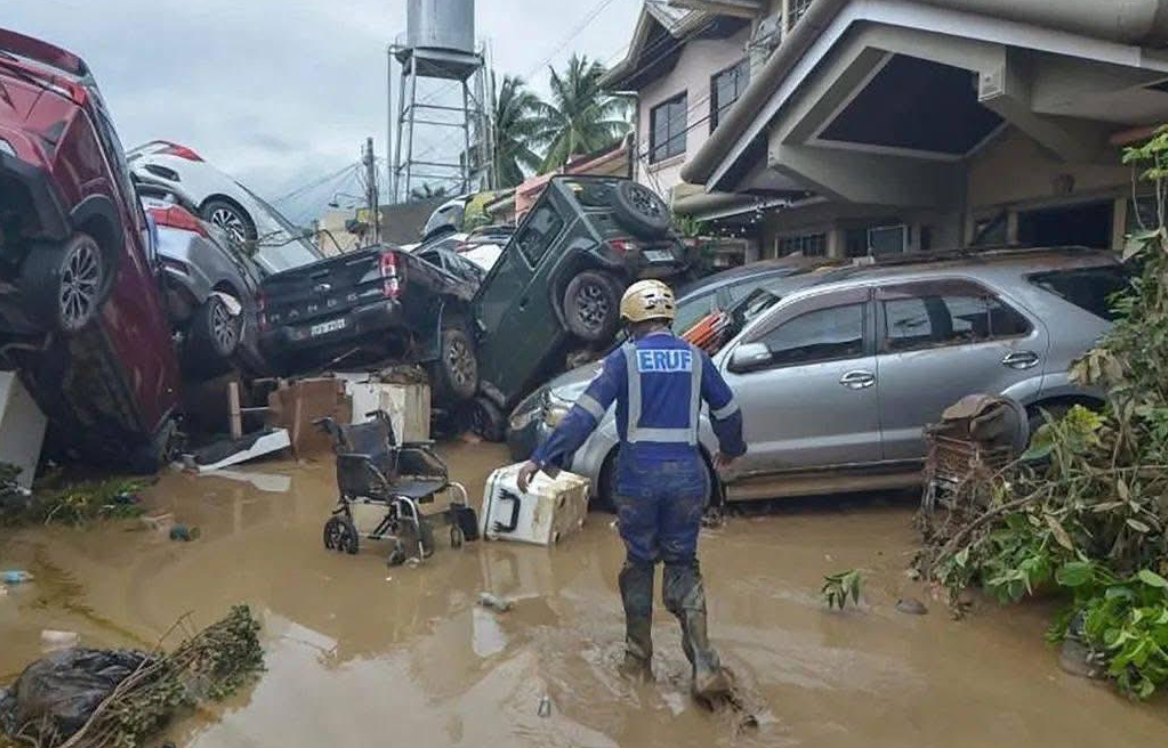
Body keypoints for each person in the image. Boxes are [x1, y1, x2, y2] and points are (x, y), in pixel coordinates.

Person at [517, 279, 746, 701]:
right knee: (684, 565)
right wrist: (731, 451)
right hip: (686, 476)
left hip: (638, 478)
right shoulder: (697, 358)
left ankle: (638, 662)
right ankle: (705, 665)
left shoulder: (624, 359)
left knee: (639, 564)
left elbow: (585, 414)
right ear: (668, 316)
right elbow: (728, 410)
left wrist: (544, 457)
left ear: (630, 320)